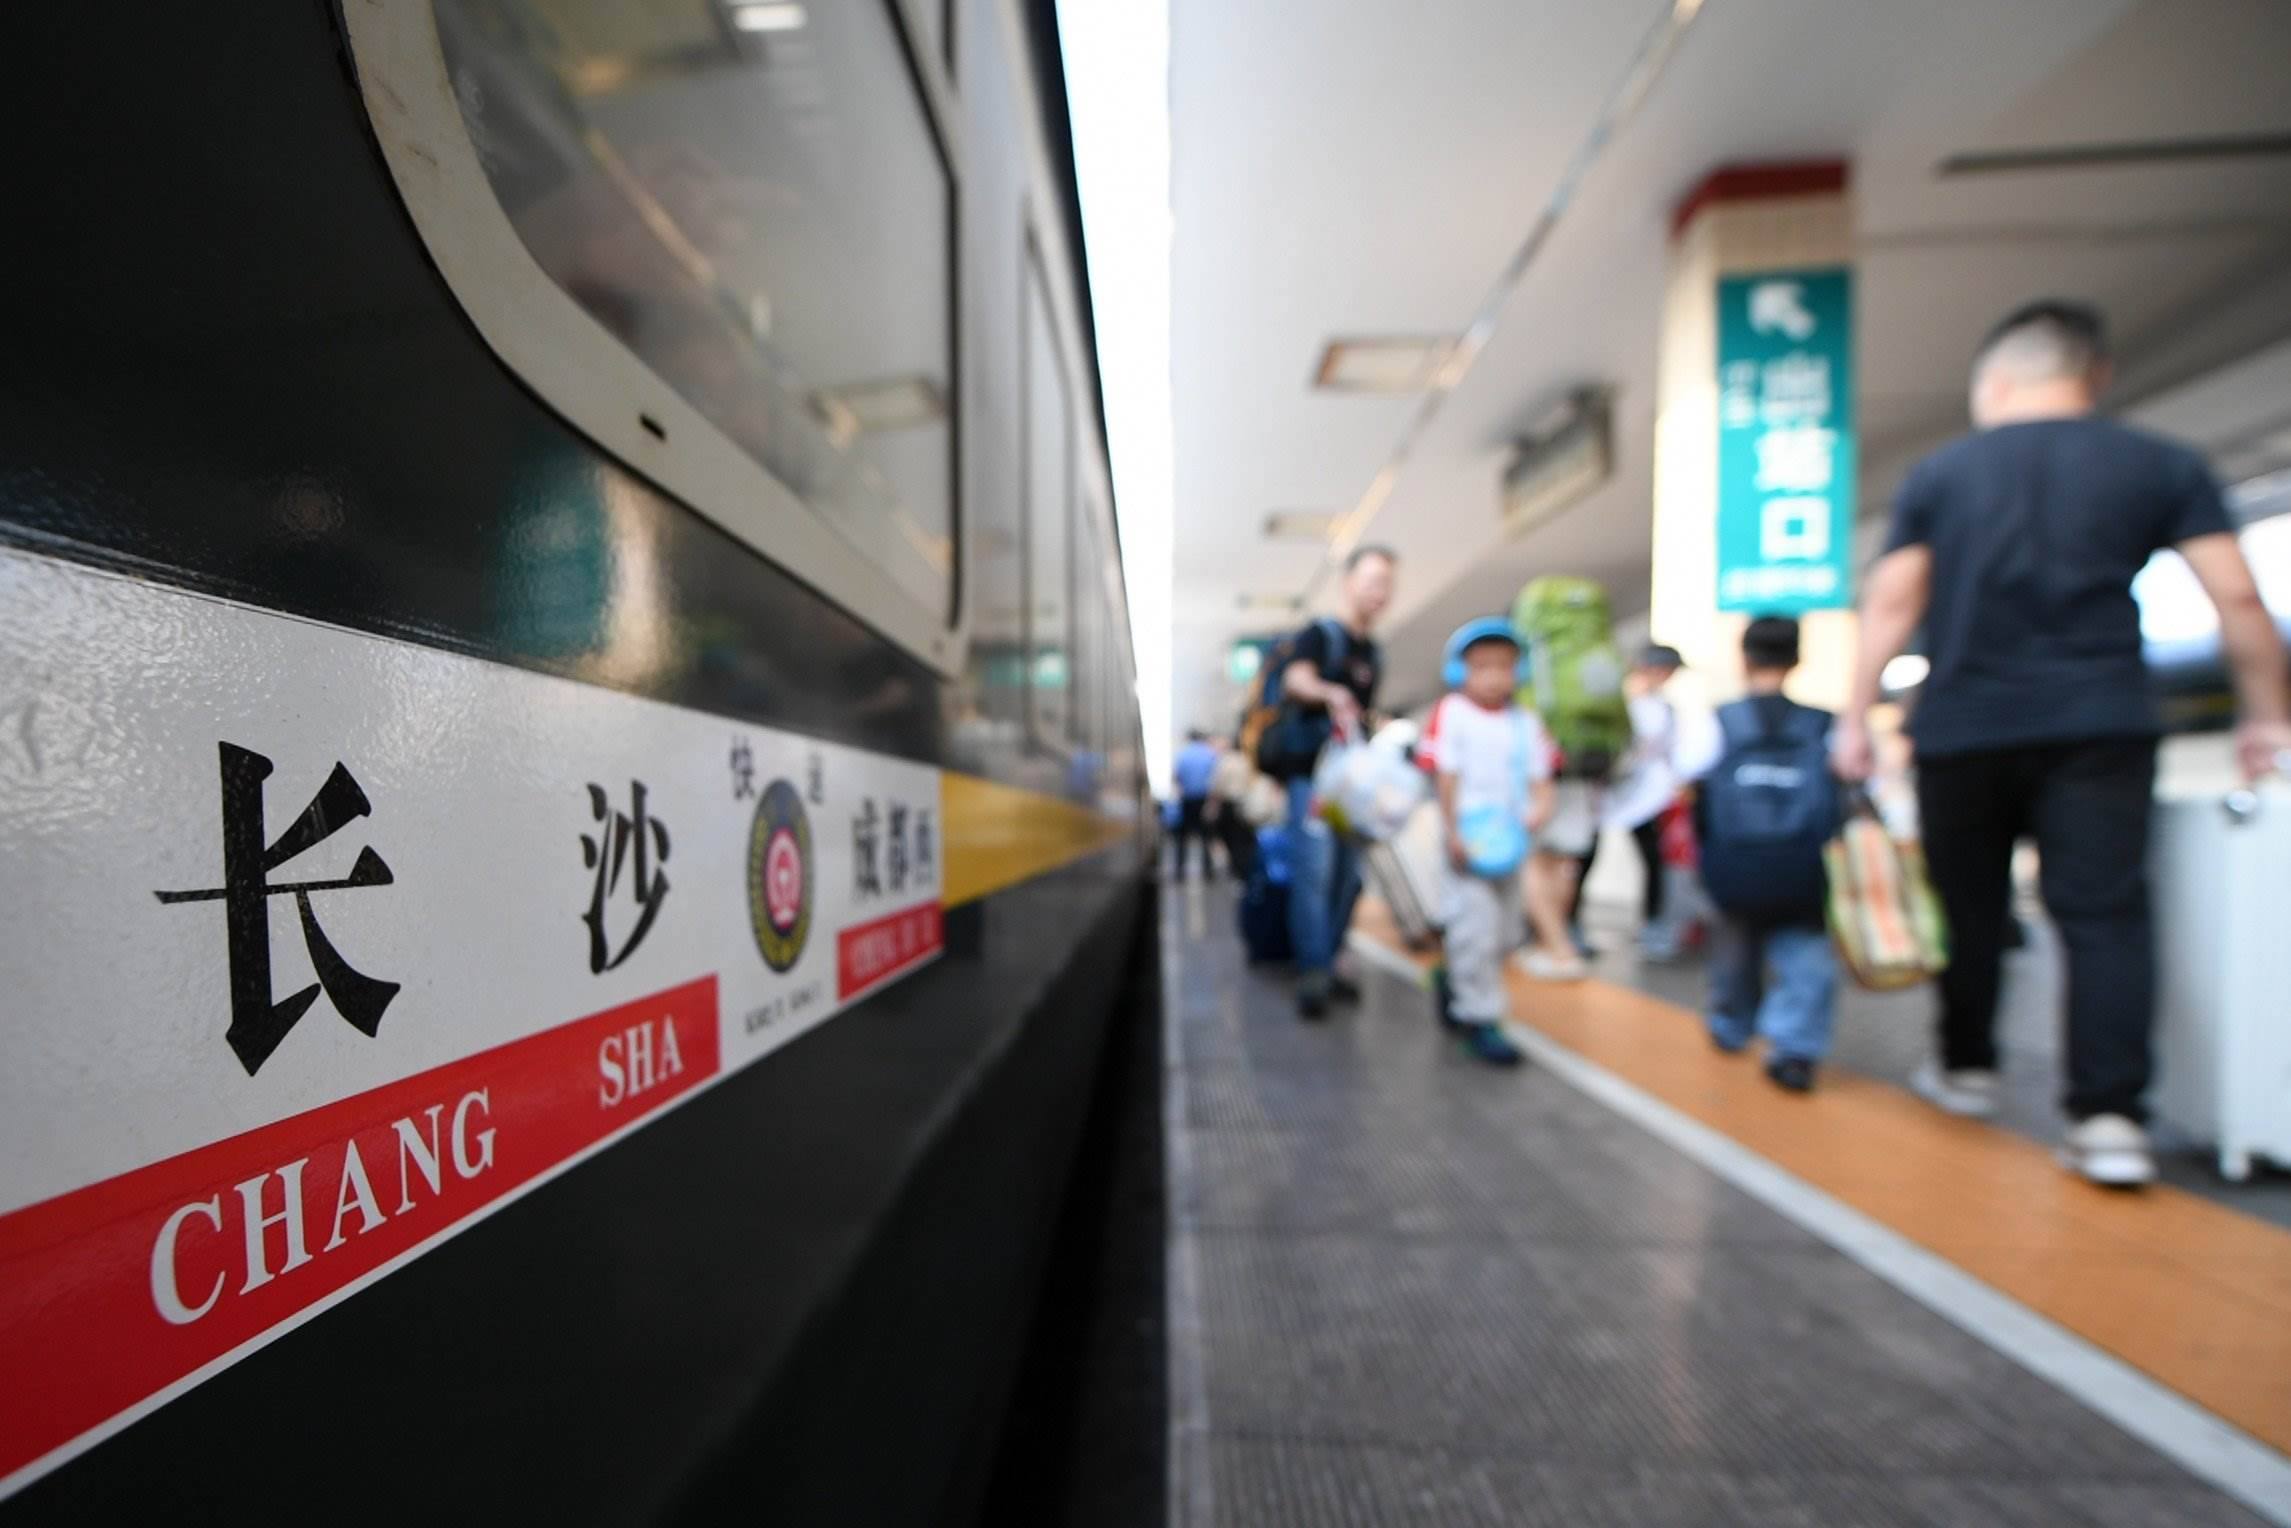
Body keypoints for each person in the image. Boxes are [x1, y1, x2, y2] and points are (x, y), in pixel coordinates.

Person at [1833, 299, 2291, 1185]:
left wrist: (1853, 718)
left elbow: (1891, 601)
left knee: (1968, 908)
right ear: (2094, 375)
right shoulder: (2158, 464)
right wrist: (2265, 714)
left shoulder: (1941, 473)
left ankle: (1966, 1068)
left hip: (1963, 725)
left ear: (1996, 382)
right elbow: (2237, 596)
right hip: (2099, 720)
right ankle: (2108, 1117)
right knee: (2103, 915)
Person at [1678, 618, 1839, 1093]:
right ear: (1797, 659)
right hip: (1803, 863)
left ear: (1744, 658)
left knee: (1733, 947)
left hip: (1734, 862)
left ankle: (1731, 1026)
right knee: (1805, 953)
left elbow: (1686, 772)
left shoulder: (1717, 721)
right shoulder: (1824, 724)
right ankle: (1793, 1049)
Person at [1270, 544, 1396, 1018]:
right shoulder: (1320, 635)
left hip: (1351, 787)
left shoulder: (1373, 653)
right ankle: (1314, 969)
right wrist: (1330, 692)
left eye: (1387, 583)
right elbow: (1295, 680)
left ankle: (1329, 954)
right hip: (1314, 783)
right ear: (1349, 583)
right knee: (1315, 873)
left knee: (1348, 875)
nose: (1380, 591)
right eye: (1372, 580)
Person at [1424, 618, 1550, 1067]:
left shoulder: (1525, 722)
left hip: (1510, 845)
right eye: (1483, 666)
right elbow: (1447, 776)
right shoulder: (1454, 712)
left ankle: (1452, 976)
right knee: (1474, 928)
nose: (1494, 676)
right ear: (1462, 671)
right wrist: (1453, 832)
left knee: (1505, 933)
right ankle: (1479, 1018)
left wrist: (1539, 810)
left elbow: (1541, 779)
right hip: (1468, 843)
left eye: (1504, 666)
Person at [1589, 644, 1688, 960]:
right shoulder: (1619, 701)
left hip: (1650, 796)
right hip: (1609, 788)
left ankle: (1654, 923)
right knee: (1585, 853)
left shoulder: (1664, 708)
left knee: (1653, 858)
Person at [1170, 729, 1219, 879]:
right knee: (1206, 837)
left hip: (1187, 800)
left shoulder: (1183, 754)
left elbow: (1176, 778)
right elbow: (1216, 779)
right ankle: (1208, 871)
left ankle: (1179, 871)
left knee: (1182, 838)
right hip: (1204, 800)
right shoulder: (1209, 754)